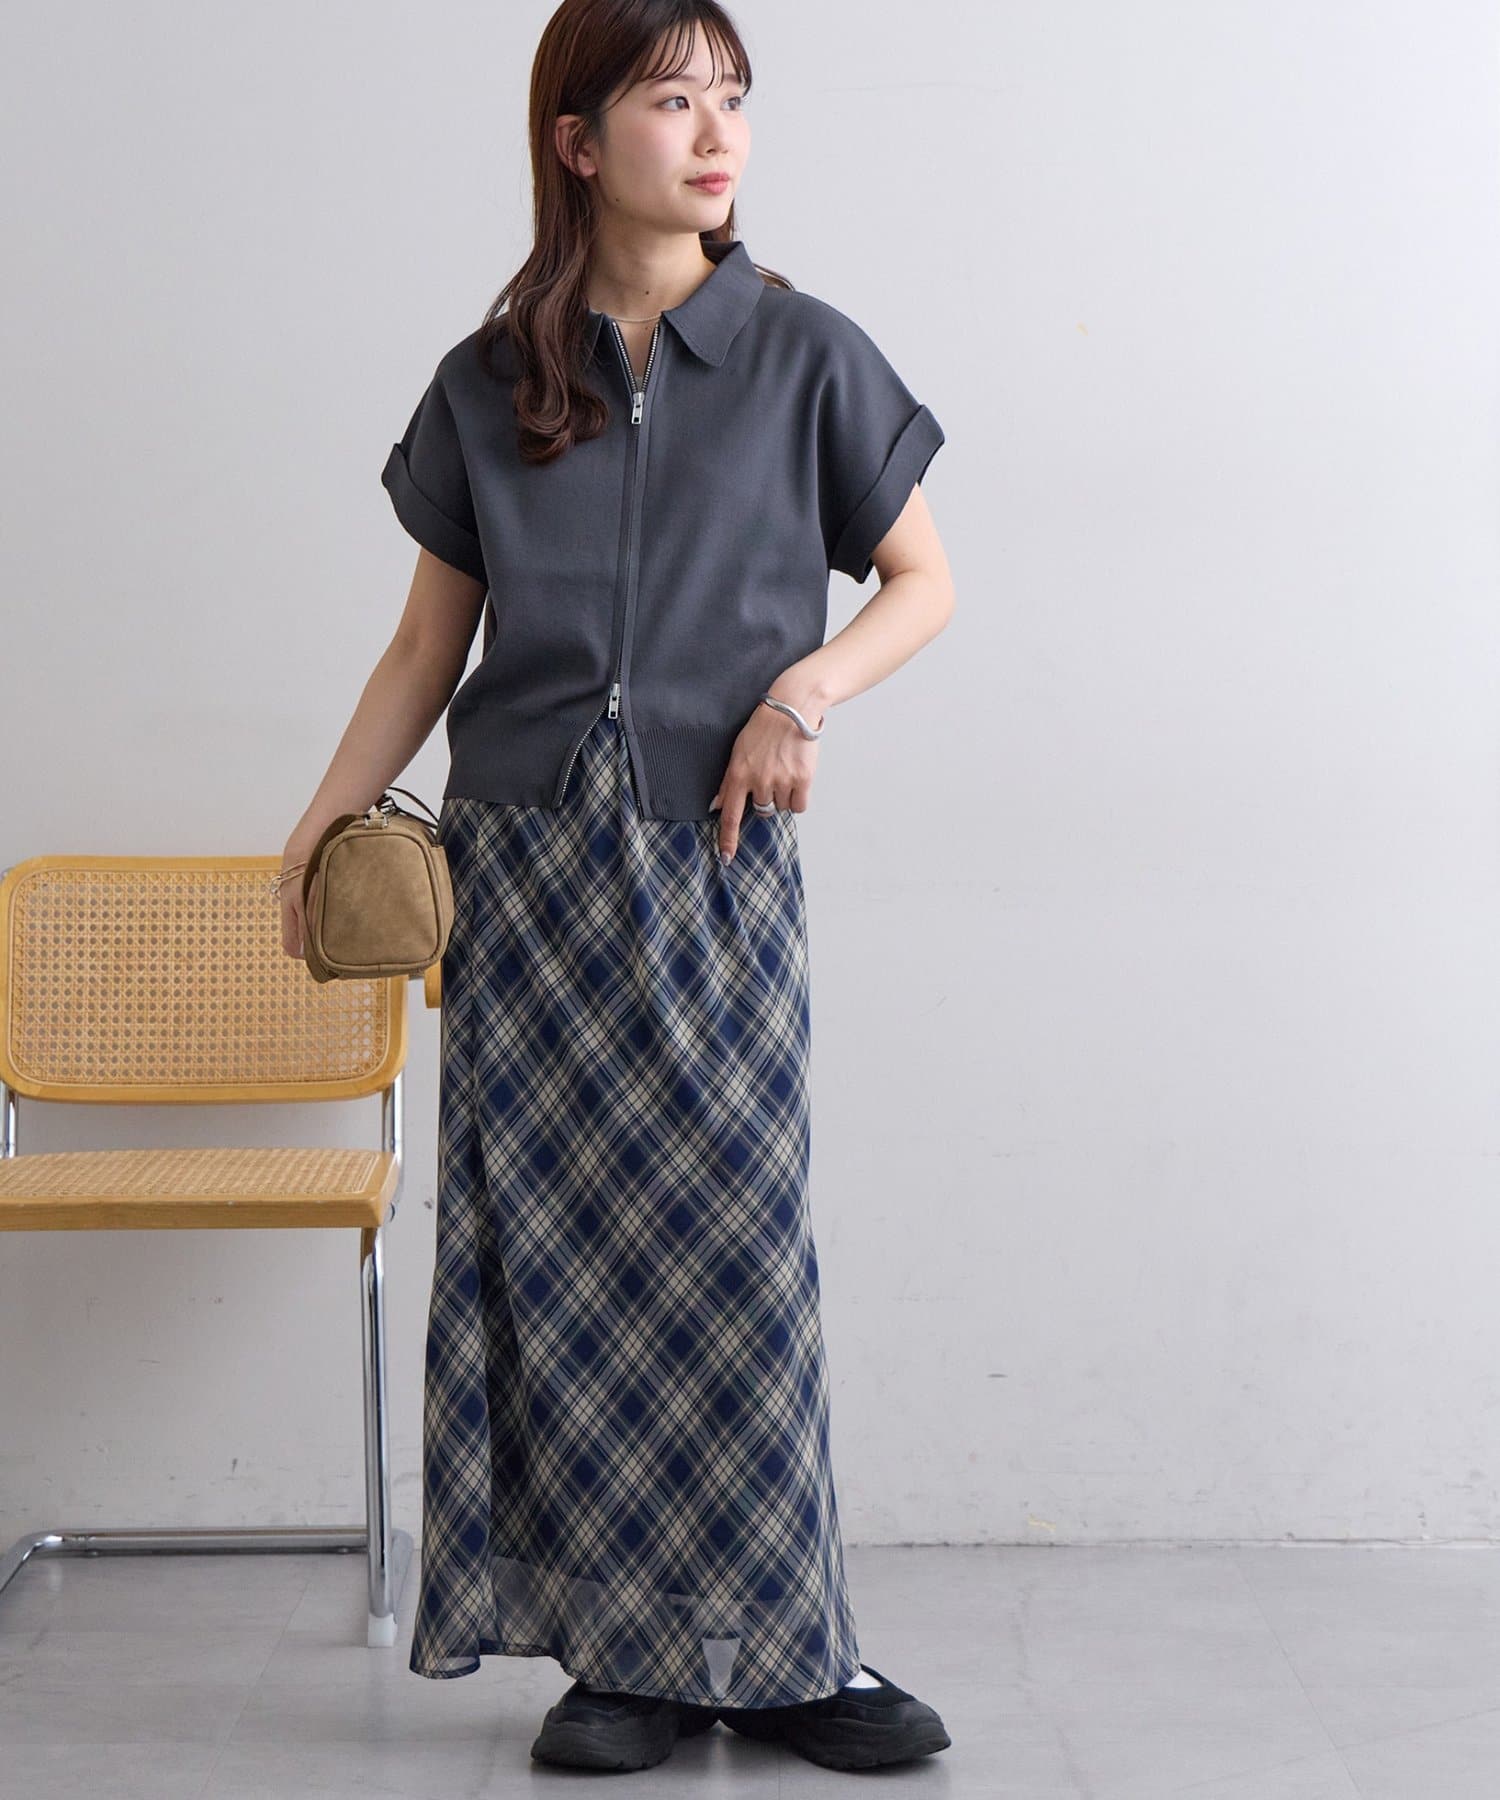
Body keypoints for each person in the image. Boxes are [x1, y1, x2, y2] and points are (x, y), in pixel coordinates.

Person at [277, 0, 955, 1776]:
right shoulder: (489, 379)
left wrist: (803, 694)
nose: (717, 133)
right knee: (557, 1264)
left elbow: (922, 583)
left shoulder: (806, 354)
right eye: (673, 100)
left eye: (733, 98)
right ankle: (622, 1656)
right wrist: (319, 822)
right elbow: (427, 646)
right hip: (521, 873)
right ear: (578, 142)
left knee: (736, 1246)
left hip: (711, 863)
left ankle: (792, 1653)